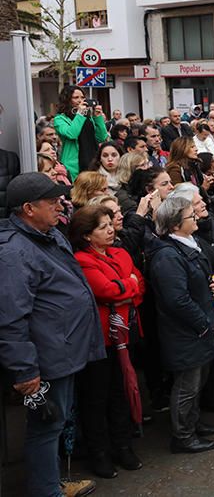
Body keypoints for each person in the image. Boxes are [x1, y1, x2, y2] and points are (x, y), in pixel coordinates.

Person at [0, 173, 105, 496]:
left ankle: (52, 483)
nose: (62, 204)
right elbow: (11, 318)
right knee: (46, 428)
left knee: (56, 424)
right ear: (28, 209)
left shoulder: (49, 235)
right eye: (52, 201)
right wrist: (25, 370)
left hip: (65, 350)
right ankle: (47, 491)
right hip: (47, 357)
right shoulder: (13, 253)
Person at [70, 204, 145, 478]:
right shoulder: (82, 259)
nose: (111, 229)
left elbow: (139, 287)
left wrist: (125, 290)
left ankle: (123, 446)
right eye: (102, 227)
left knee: (121, 393)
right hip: (99, 341)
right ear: (87, 235)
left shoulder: (121, 253)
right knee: (96, 398)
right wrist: (128, 286)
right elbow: (105, 290)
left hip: (126, 335)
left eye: (110, 224)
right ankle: (99, 454)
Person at [146, 195, 214, 454]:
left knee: (198, 381)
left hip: (198, 327)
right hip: (186, 331)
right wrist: (202, 323)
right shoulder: (167, 256)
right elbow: (176, 299)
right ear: (176, 225)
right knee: (187, 386)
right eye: (191, 216)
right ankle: (183, 435)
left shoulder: (190, 244)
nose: (197, 218)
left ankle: (193, 422)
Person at [53, 85, 109, 180]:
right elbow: (71, 134)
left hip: (92, 159)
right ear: (67, 100)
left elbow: (101, 137)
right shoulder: (60, 119)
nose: (80, 100)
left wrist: (98, 117)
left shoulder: (86, 117)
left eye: (82, 97)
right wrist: (80, 113)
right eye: (76, 97)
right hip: (74, 164)